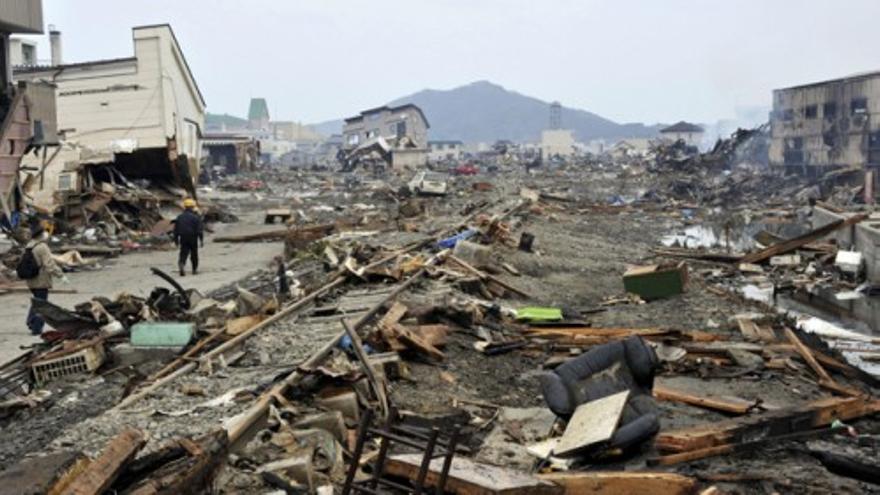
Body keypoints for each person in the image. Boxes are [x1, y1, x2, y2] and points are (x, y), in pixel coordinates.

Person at [24, 223, 68, 335]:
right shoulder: (42, 247)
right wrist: (60, 275)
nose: (46, 234)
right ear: (40, 235)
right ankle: (36, 328)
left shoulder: (29, 245)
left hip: (31, 279)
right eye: (44, 232)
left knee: (37, 301)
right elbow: (49, 264)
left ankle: (31, 321)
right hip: (41, 279)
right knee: (42, 304)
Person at [173, 198, 204, 276]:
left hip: (183, 237)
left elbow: (176, 230)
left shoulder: (180, 217)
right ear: (193, 207)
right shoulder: (196, 217)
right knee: (194, 254)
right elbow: (199, 230)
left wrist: (176, 240)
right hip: (193, 237)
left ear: (185, 207)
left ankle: (182, 264)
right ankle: (194, 270)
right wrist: (201, 240)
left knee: (183, 253)